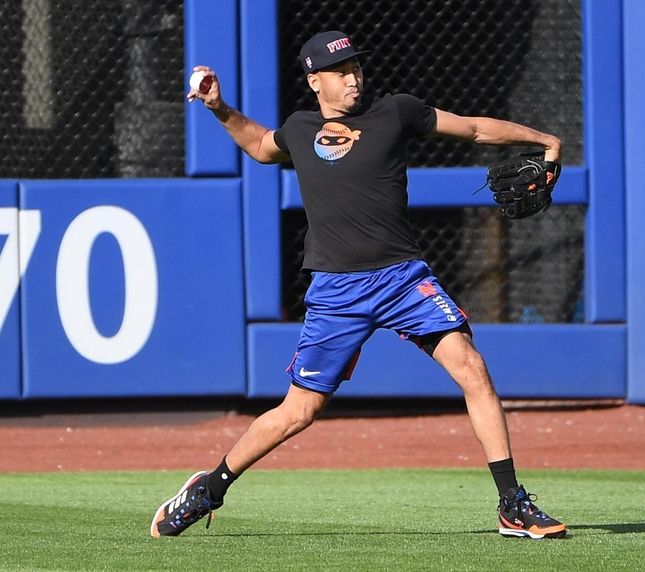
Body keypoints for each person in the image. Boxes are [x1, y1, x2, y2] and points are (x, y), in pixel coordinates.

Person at [151, 30, 566, 540]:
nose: (353, 76)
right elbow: (260, 146)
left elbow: (476, 129)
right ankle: (208, 489)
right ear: (313, 80)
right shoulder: (301, 128)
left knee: (472, 367)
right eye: (340, 69)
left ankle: (512, 505)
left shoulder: (396, 111)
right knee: (299, 411)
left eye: (356, 67)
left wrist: (543, 140)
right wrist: (219, 107)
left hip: (401, 278)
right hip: (337, 292)